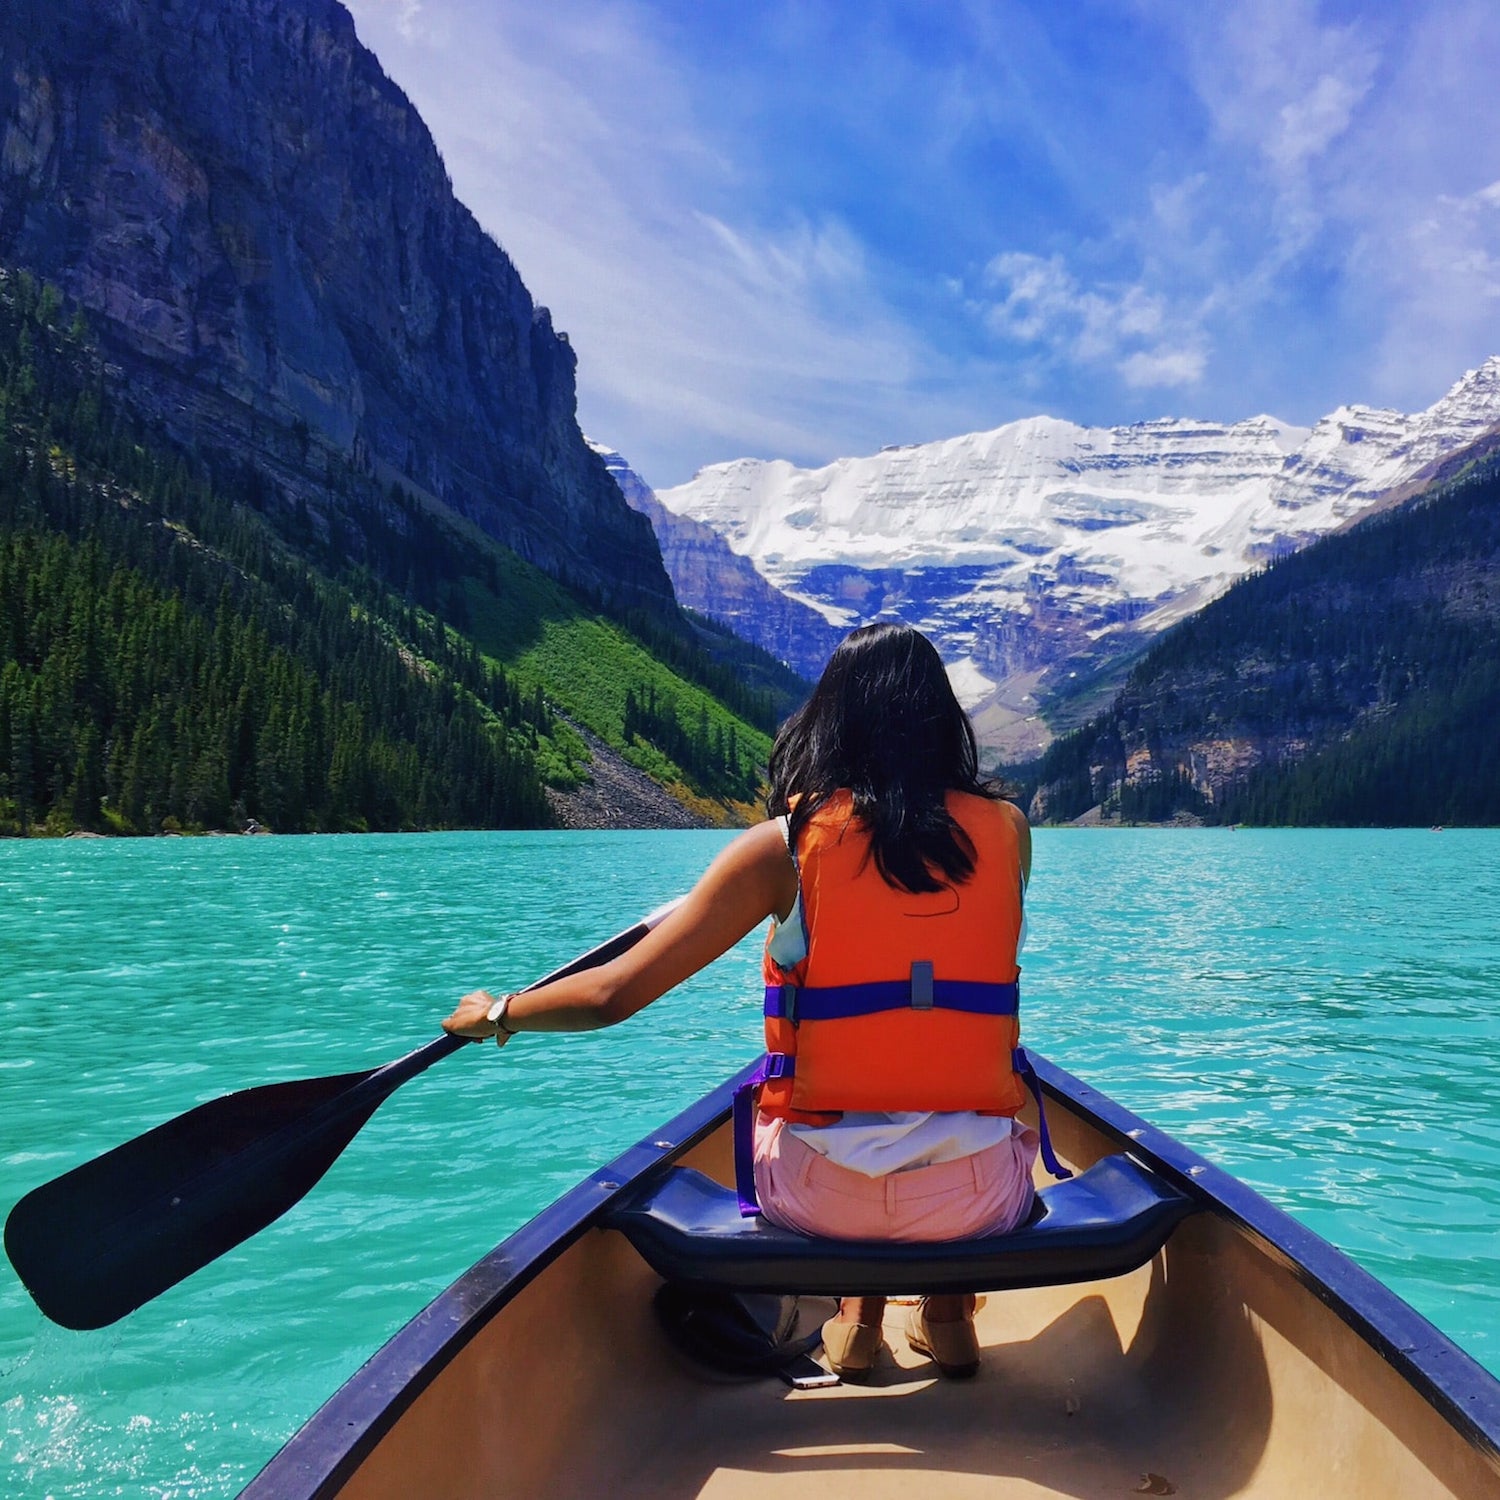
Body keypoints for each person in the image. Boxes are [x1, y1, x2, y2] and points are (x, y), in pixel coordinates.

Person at [443, 622, 1039, 1382]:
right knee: (973, 1120)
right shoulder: (1009, 833)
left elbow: (613, 994)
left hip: (824, 1199)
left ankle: (857, 1320)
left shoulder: (783, 847)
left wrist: (498, 1013)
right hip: (975, 1199)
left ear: (833, 716)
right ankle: (950, 1317)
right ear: (941, 721)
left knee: (811, 1126)